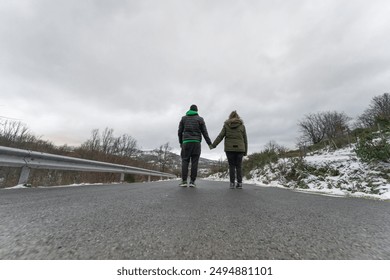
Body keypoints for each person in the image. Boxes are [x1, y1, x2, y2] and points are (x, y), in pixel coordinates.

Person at [178, 104, 213, 187]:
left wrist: (181, 142)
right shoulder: (200, 119)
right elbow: (205, 132)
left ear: (189, 110)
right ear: (197, 111)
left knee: (185, 160)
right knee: (195, 162)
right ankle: (192, 182)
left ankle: (184, 181)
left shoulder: (184, 119)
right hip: (196, 143)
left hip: (186, 142)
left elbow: (179, 132)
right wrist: (209, 144)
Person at [211, 111, 248, 189]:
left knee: (231, 166)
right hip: (240, 149)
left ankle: (232, 183)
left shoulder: (226, 125)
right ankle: (240, 183)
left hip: (229, 148)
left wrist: (213, 145)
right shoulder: (242, 126)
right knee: (238, 166)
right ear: (238, 117)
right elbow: (245, 139)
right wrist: (245, 151)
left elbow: (220, 136)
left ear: (230, 117)